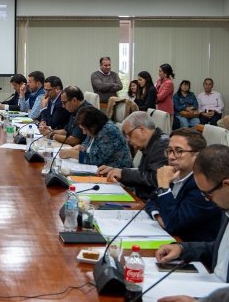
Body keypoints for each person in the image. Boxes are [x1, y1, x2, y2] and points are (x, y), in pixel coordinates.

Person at [156, 145, 229, 290]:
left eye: (207, 194)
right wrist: (182, 248)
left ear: (226, 185)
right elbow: (221, 250)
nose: (207, 199)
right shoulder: (226, 207)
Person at [145, 128, 221, 242]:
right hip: (170, 239)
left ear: (197, 156)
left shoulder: (203, 185)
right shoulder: (174, 174)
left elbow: (173, 225)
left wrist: (164, 186)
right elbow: (150, 202)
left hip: (192, 248)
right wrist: (159, 216)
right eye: (169, 150)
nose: (171, 157)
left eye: (179, 151)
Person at [98, 111, 169, 201]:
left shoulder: (162, 145)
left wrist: (123, 173)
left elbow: (155, 178)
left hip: (152, 204)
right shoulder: (151, 143)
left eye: (129, 134)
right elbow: (143, 173)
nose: (127, 140)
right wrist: (116, 171)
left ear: (142, 130)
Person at [59, 106, 132, 168]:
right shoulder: (94, 128)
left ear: (93, 126)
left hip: (117, 171)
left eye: (85, 129)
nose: (84, 133)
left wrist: (72, 153)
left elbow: (97, 160)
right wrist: (81, 148)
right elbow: (86, 144)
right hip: (101, 169)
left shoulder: (108, 131)